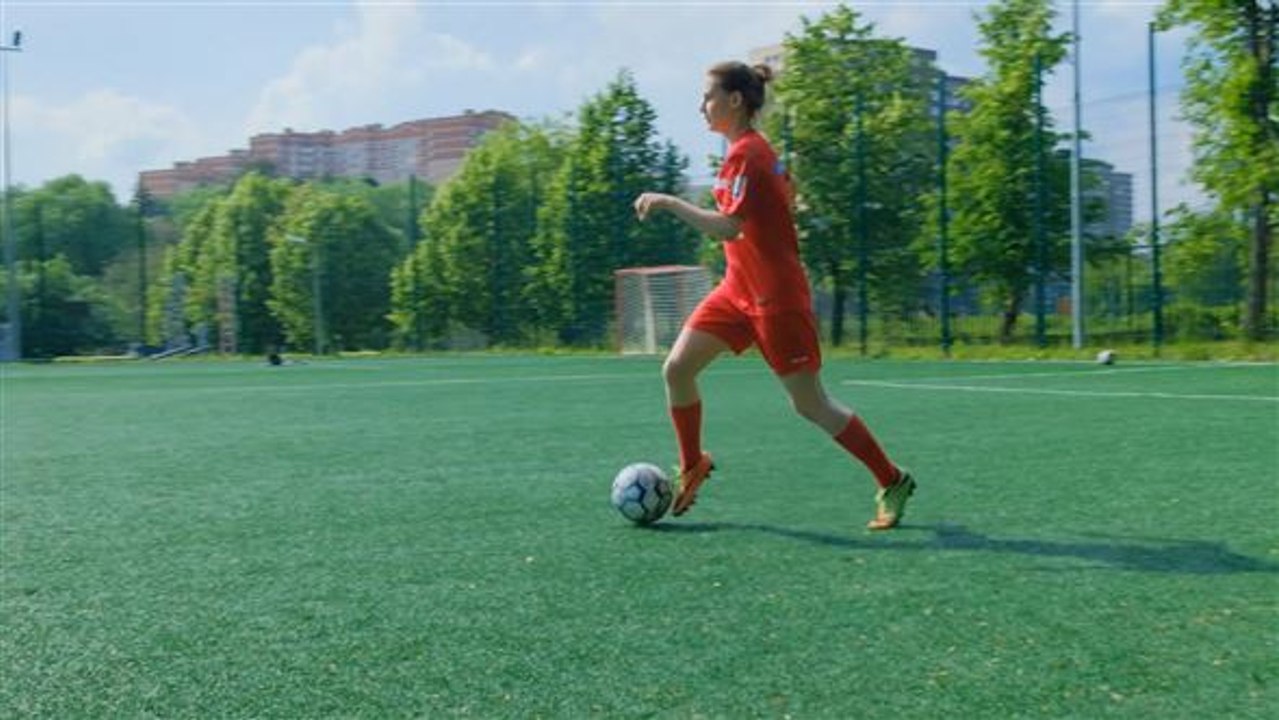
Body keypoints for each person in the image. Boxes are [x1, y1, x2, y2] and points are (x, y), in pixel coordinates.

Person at [632, 61, 916, 531]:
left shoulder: (749, 154)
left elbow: (730, 227)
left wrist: (668, 201)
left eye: (707, 97)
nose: (701, 106)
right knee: (677, 369)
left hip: (776, 300)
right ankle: (693, 463)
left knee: (811, 404)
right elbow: (777, 199)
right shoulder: (746, 154)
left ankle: (892, 479)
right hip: (737, 290)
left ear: (734, 100)